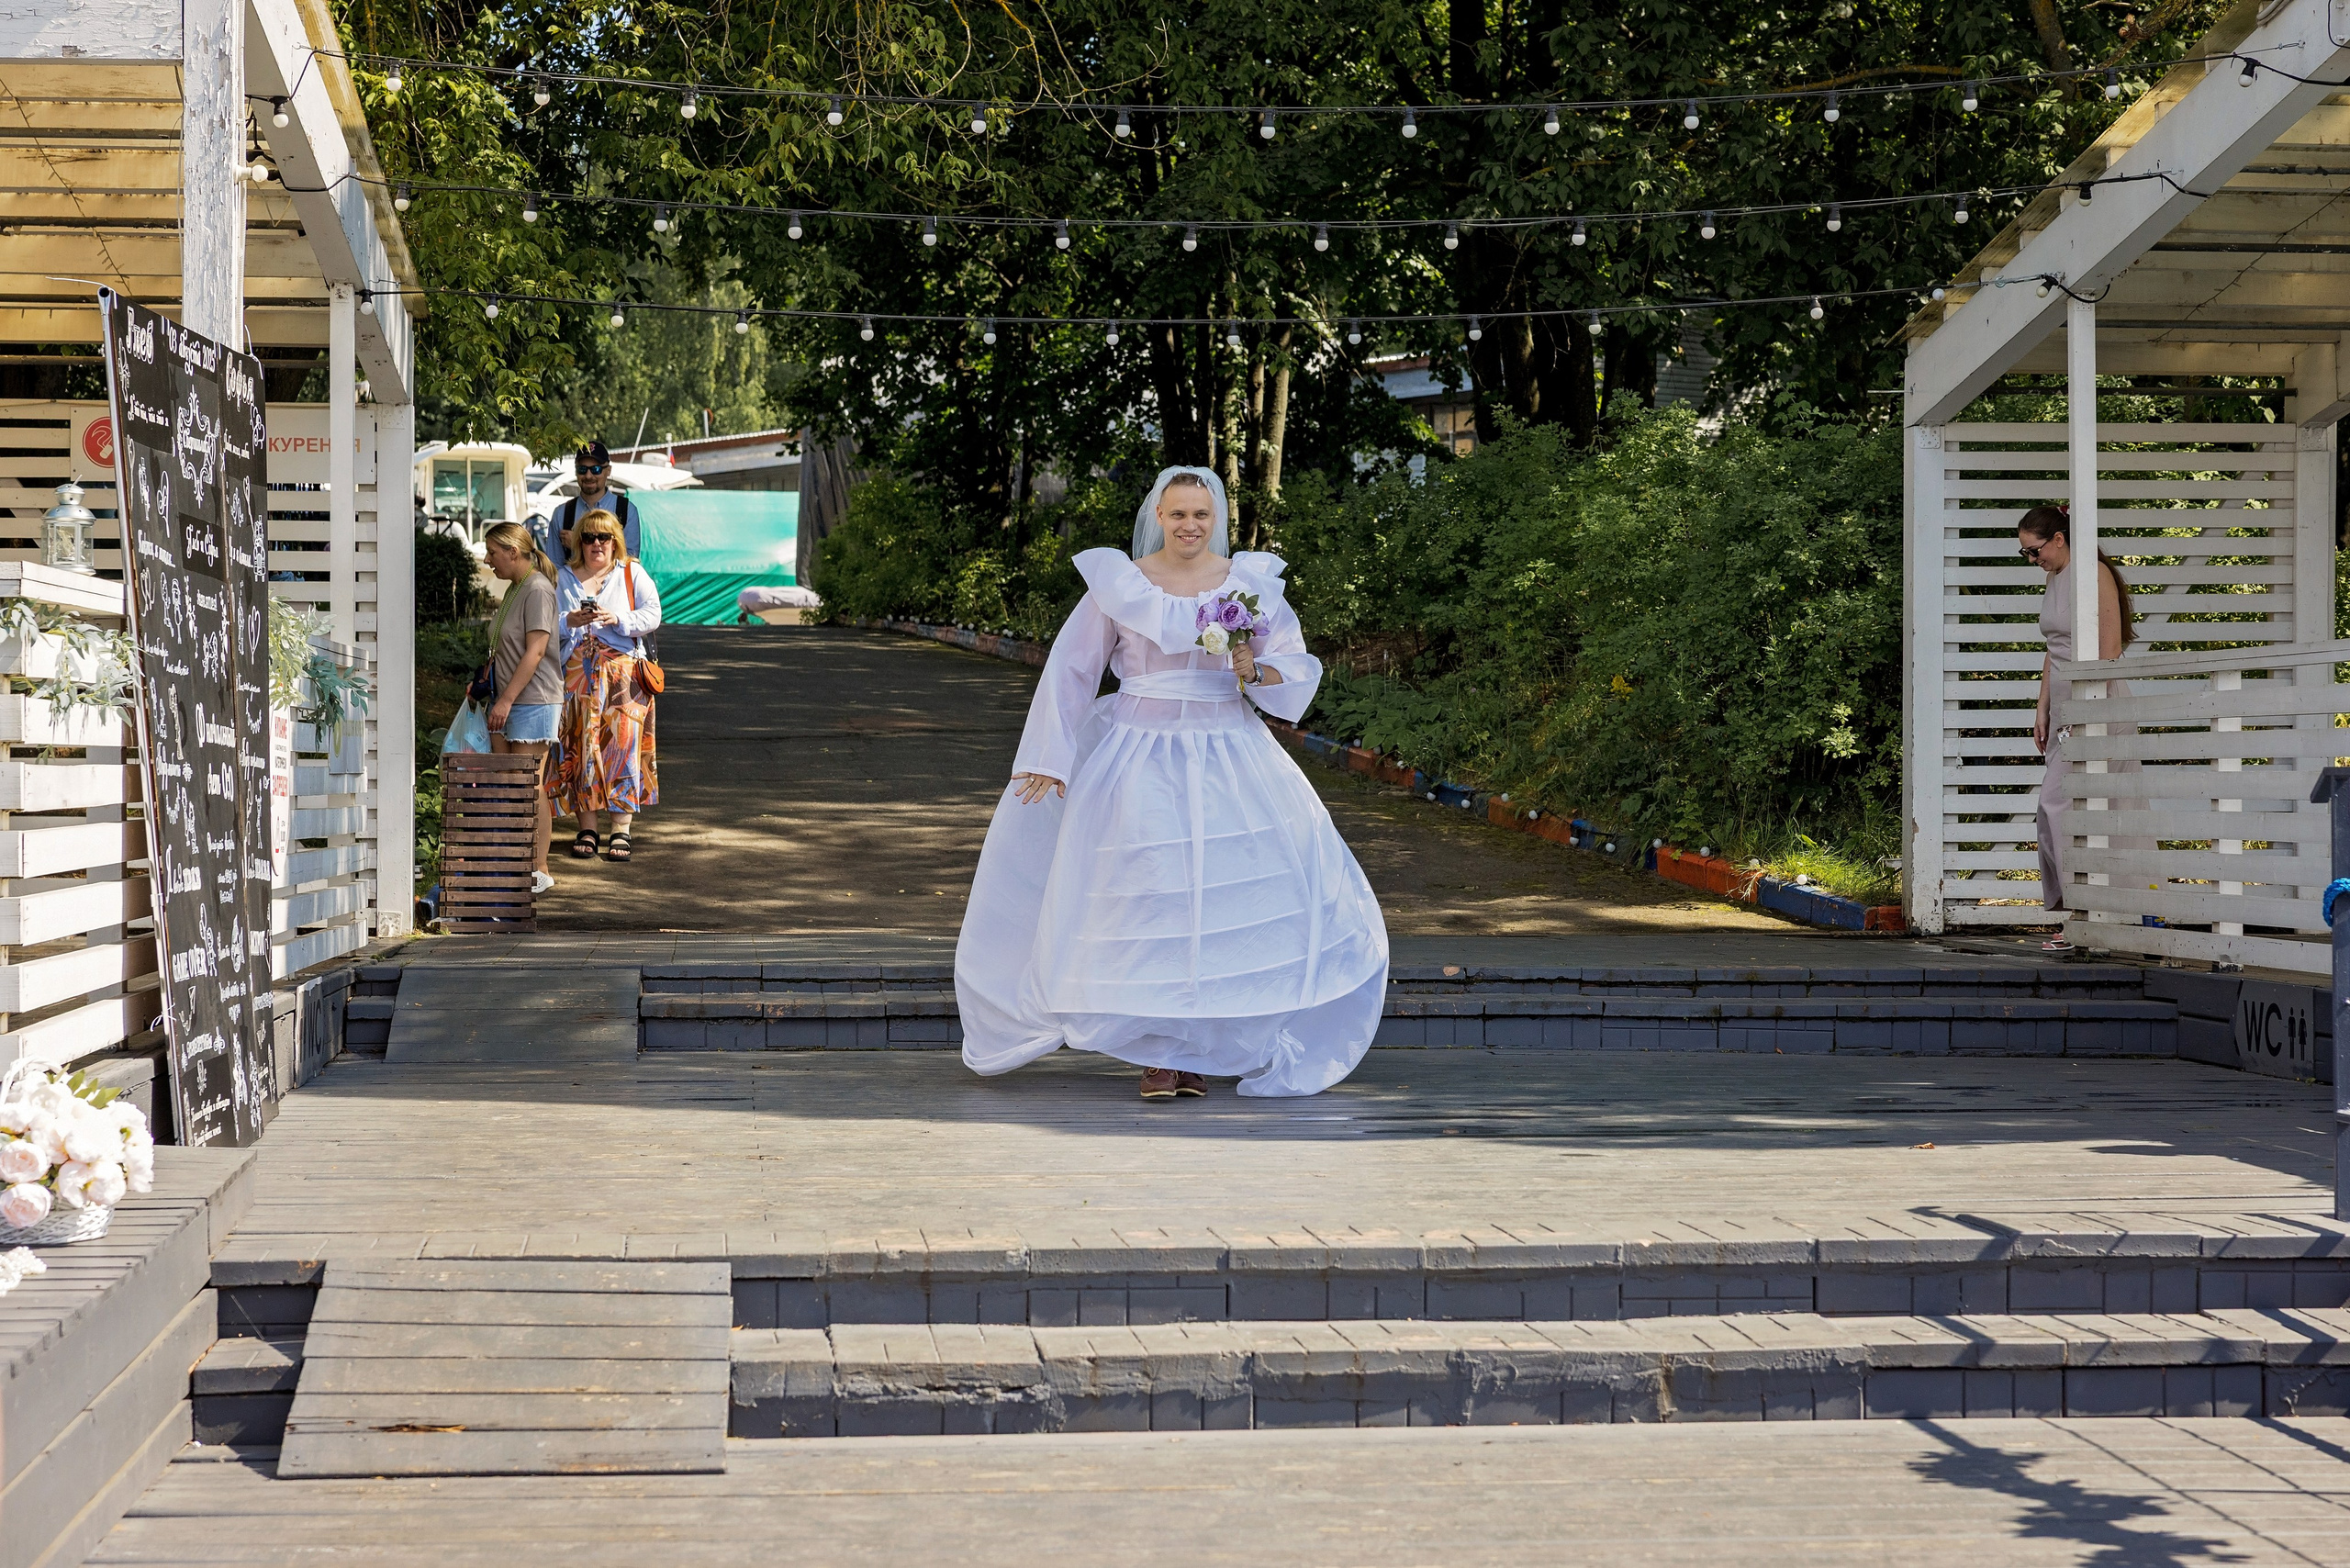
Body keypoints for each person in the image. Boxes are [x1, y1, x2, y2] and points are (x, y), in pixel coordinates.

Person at [955, 466, 1389, 1101]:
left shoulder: (1249, 584)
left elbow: (1292, 669)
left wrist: (1254, 667)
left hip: (1230, 754)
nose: (1190, 525)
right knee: (1153, 896)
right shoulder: (1121, 585)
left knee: (1220, 898)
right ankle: (1159, 1056)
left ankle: (1202, 1048)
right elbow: (1072, 670)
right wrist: (1048, 756)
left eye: (1202, 515)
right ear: (1157, 516)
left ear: (1217, 520)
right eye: (1179, 514)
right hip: (1140, 758)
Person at [2021, 504, 2136, 936]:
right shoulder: (2055, 577)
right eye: (2025, 555)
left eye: (2035, 552)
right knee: (2064, 810)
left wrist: (2085, 715)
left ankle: (2083, 915)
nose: (2033, 561)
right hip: (2066, 705)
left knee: (2059, 805)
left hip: (2098, 703)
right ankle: (2082, 914)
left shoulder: (2094, 574)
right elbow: (2055, 649)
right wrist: (2043, 707)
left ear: (2058, 538)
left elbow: (2108, 651)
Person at [551, 514, 660, 863]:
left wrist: (618, 619)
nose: (596, 544)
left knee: (622, 746)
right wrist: (570, 620)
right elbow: (546, 621)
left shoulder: (631, 573)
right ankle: (587, 828)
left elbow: (653, 614)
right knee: (581, 746)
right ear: (577, 543)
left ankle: (621, 830)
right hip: (578, 673)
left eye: (604, 537)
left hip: (623, 675)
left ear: (615, 541)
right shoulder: (564, 577)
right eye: (588, 537)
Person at [481, 521, 561, 894]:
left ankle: (539, 867)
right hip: (507, 698)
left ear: (514, 552)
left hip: (532, 699)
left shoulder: (538, 589)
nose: (487, 560)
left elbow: (537, 651)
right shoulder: (515, 588)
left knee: (528, 784)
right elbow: (505, 646)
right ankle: (513, 860)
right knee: (506, 782)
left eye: (493, 553)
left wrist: (507, 698)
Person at [540, 439, 641, 567]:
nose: (588, 476)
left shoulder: (626, 511)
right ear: (576, 471)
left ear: (608, 470)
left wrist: (578, 546)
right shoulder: (562, 514)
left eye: (596, 469)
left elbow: (629, 564)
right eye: (582, 469)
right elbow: (554, 569)